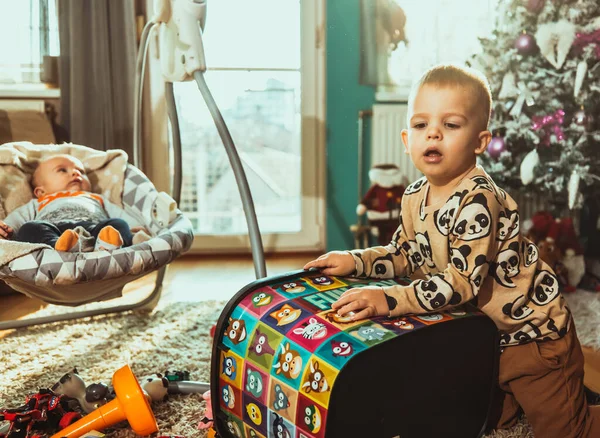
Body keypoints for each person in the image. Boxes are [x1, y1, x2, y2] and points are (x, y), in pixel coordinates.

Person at [304, 64, 599, 437]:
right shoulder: (414, 196)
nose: (434, 134)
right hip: (482, 338)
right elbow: (404, 254)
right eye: (421, 125)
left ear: (480, 142)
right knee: (478, 419)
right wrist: (355, 260)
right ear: (406, 138)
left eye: (451, 125)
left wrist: (388, 300)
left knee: (569, 431)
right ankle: (512, 398)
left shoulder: (478, 200)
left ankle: (572, 398)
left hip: (531, 337)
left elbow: (460, 283)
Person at [0, 154, 138, 252]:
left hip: (94, 231)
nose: (75, 173)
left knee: (118, 224)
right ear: (41, 191)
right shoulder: (39, 202)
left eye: (81, 171)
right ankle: (58, 246)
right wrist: (6, 230)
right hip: (53, 230)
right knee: (29, 228)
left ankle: (106, 246)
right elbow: (17, 219)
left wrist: (136, 228)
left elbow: (118, 213)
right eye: (62, 170)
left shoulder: (95, 197)